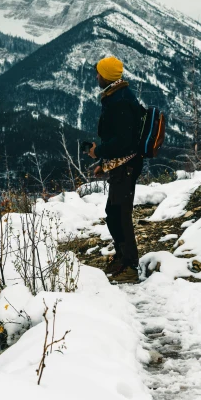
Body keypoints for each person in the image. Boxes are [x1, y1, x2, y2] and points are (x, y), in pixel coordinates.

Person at [87, 56, 143, 284]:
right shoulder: (117, 95)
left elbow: (124, 141)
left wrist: (98, 152)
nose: (96, 76)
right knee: (113, 213)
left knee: (120, 214)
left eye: (99, 73)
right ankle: (122, 258)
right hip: (122, 164)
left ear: (107, 75)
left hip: (127, 165)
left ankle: (130, 265)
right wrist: (105, 163)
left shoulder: (120, 100)